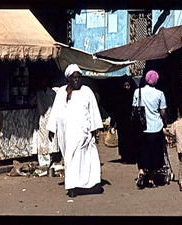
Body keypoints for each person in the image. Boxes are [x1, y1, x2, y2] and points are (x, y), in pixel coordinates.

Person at [46, 64, 103, 198]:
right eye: (74, 77)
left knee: (85, 159)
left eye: (78, 77)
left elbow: (93, 111)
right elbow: (55, 111)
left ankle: (86, 185)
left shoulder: (87, 91)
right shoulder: (61, 92)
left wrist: (95, 129)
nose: (77, 80)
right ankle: (74, 186)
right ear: (69, 79)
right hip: (66, 133)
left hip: (84, 133)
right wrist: (51, 128)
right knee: (70, 159)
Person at [134, 70, 167, 189]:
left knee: (142, 152)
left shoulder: (138, 92)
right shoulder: (160, 94)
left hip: (142, 128)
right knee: (155, 154)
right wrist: (165, 123)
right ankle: (151, 179)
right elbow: (163, 112)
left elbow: (135, 107)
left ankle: (142, 171)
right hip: (156, 128)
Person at [30, 72, 57, 167]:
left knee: (49, 141)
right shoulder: (38, 94)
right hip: (41, 120)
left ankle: (49, 161)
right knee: (41, 141)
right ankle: (42, 162)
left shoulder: (52, 94)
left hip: (50, 119)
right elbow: (31, 101)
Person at [110, 75, 137, 164]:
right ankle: (125, 157)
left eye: (128, 86)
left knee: (132, 140)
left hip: (132, 123)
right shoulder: (120, 97)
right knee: (123, 141)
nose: (126, 88)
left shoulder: (135, 96)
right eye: (125, 86)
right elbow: (116, 110)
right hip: (122, 123)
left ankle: (132, 157)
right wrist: (112, 123)